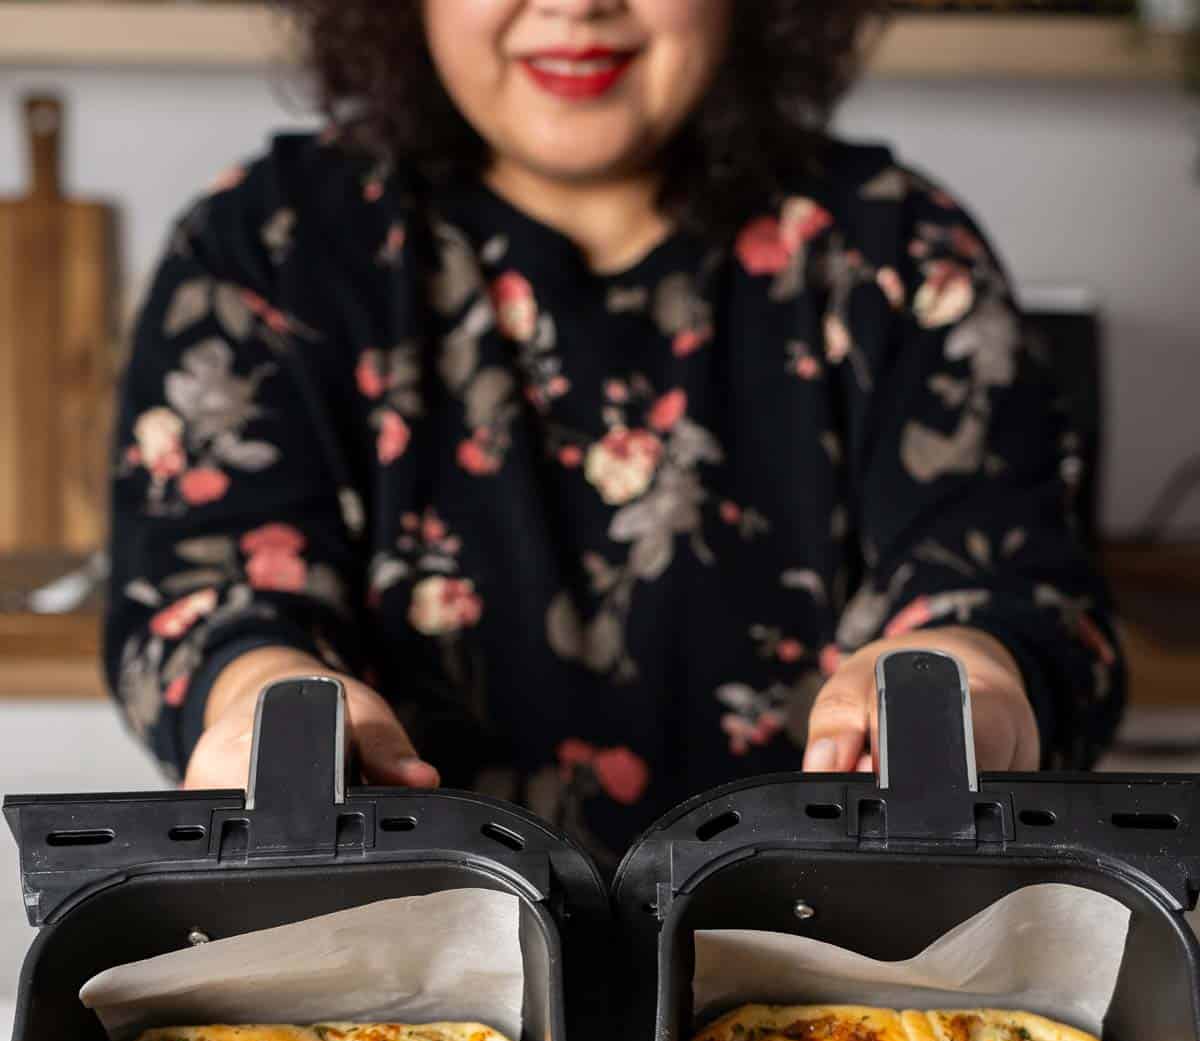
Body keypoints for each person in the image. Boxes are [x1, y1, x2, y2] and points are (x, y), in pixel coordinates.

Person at [107, 0, 1122, 865]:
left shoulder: (898, 247)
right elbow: (207, 592)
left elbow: (1009, 583)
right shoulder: (269, 245)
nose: (577, 2)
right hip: (397, 1004)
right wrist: (267, 703)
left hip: (839, 1000)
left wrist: (967, 677)